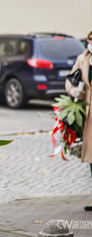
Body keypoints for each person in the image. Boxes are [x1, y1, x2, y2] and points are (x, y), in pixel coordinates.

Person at [65, 29, 92, 212]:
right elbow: (70, 79)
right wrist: (73, 91)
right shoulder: (83, 58)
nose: (90, 42)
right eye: (89, 39)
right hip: (89, 110)